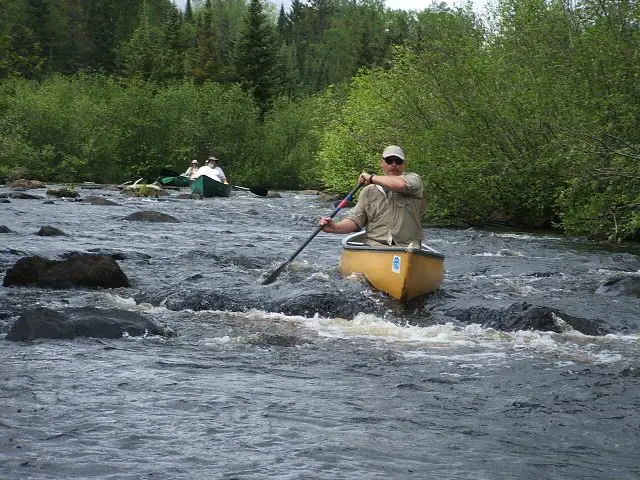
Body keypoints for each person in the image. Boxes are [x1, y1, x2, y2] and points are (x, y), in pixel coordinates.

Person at [319, 145, 428, 247]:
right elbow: (356, 220)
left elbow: (400, 185)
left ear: (403, 164)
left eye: (398, 161)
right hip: (375, 247)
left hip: (407, 248)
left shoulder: (414, 181)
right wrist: (335, 227)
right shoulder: (368, 191)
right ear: (382, 163)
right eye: (389, 161)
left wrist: (371, 178)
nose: (394, 164)